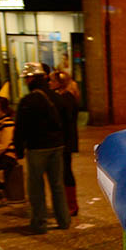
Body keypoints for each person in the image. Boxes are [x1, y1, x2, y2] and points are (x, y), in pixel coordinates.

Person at [13, 62, 71, 234]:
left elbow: (21, 128)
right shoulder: (56, 97)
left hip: (37, 148)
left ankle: (39, 223)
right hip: (57, 146)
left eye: (26, 78)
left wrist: (18, 149)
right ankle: (64, 220)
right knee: (57, 185)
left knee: (36, 187)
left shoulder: (28, 101)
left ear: (31, 79)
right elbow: (67, 122)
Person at [50, 70, 81, 216]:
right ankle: (67, 204)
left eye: (52, 80)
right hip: (65, 140)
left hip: (65, 141)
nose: (49, 83)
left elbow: (65, 121)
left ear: (59, 83)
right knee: (63, 172)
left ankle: (71, 205)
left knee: (66, 172)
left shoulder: (66, 98)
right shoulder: (63, 97)